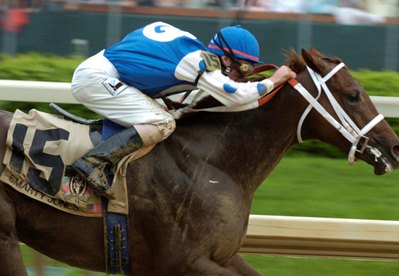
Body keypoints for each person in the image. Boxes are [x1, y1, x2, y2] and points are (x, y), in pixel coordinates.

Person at [71, 21, 296, 196]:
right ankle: (93, 163)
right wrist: (274, 80)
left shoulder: (189, 49)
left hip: (102, 72)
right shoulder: (199, 62)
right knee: (163, 122)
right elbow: (235, 95)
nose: (244, 76)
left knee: (163, 114)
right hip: (95, 79)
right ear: (226, 60)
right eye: (244, 68)